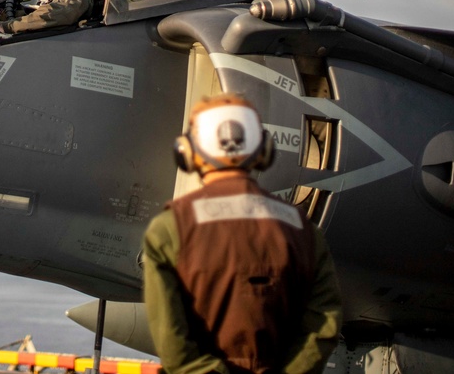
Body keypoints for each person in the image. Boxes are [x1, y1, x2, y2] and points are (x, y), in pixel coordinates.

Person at [143, 94, 342, 374]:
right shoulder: (304, 232)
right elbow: (323, 325)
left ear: (187, 152)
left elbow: (173, 344)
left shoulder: (169, 229)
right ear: (263, 150)